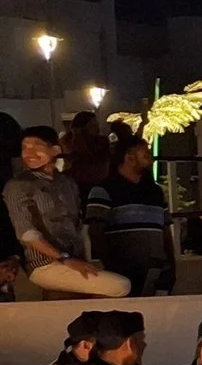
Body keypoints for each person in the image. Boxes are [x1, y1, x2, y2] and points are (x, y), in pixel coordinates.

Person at [6, 126, 132, 297]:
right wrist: (64, 258)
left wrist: (84, 259)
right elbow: (26, 232)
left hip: (73, 259)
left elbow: (79, 226)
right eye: (25, 147)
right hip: (44, 264)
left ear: (55, 150)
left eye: (37, 146)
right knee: (120, 286)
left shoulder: (67, 183)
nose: (29, 153)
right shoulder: (18, 185)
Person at [84, 136, 175, 294]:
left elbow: (165, 230)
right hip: (123, 270)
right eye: (145, 155)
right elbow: (96, 231)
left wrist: (171, 264)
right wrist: (110, 264)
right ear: (130, 158)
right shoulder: (104, 190)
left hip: (156, 270)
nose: (151, 159)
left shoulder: (155, 192)